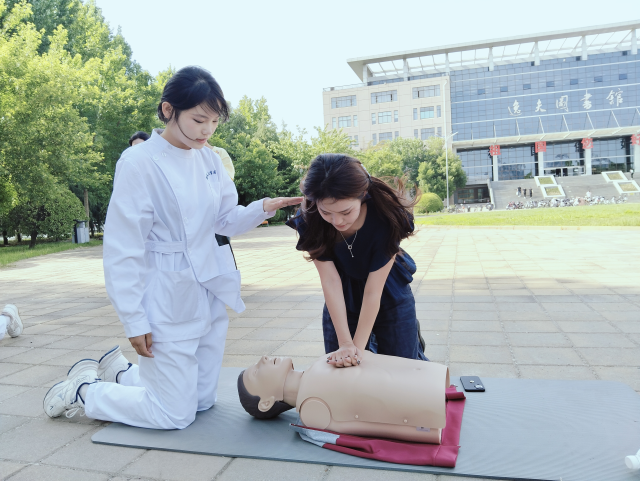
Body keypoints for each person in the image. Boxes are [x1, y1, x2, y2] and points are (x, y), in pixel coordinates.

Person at [43, 66, 302, 427]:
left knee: (202, 401)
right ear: (168, 110)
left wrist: (262, 208)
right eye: (198, 120)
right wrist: (134, 319)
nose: (207, 131)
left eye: (214, 122)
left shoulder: (209, 159)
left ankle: (123, 373)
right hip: (166, 293)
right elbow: (123, 249)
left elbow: (224, 221)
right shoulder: (139, 162)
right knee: (173, 414)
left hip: (208, 287)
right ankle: (84, 391)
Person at [286, 154, 427, 369]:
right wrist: (345, 344)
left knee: (401, 368)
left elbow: (373, 291)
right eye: (326, 212)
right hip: (341, 293)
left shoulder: (387, 216)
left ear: (363, 194)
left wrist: (357, 351)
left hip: (388, 291)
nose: (337, 221)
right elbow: (330, 280)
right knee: (341, 370)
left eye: (346, 212)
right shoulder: (311, 217)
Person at [238, 353, 449, 443]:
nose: (263, 359)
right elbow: (367, 428)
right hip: (420, 401)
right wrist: (424, 432)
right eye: (256, 372)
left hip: (419, 381)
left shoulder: (317, 364)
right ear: (266, 402)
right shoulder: (311, 409)